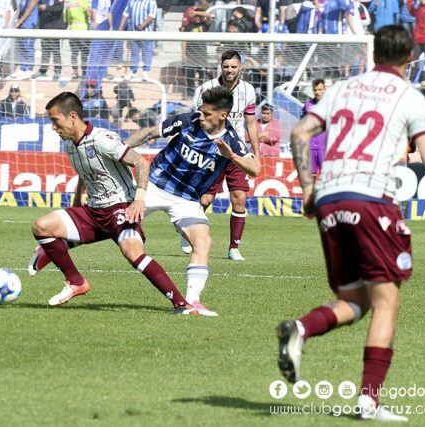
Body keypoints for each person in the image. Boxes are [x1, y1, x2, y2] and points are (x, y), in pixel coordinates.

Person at [276, 25, 425, 422]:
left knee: (355, 301)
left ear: (374, 52)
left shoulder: (342, 88)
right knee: (386, 302)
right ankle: (369, 402)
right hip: (372, 199)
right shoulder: (411, 98)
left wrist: (309, 187)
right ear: (409, 56)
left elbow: (300, 131)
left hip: (330, 198)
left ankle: (301, 330)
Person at [27, 92, 206, 315]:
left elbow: (141, 163)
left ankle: (182, 304)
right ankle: (75, 281)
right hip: (93, 211)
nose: (53, 127)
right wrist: (75, 204)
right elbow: (85, 173)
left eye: (55, 120)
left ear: (72, 116)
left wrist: (139, 199)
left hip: (121, 207)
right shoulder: (71, 145)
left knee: (132, 251)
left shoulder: (102, 139)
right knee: (42, 226)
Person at [126, 86, 260, 313]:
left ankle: (192, 301)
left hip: (186, 200)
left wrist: (232, 157)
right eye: (201, 111)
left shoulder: (231, 141)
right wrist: (119, 149)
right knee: (106, 222)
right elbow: (150, 133)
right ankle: (49, 252)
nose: (201, 116)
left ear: (222, 116)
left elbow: (255, 169)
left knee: (203, 242)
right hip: (154, 186)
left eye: (207, 114)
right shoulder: (188, 121)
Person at [189, 50, 259, 262]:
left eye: (233, 67)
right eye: (226, 66)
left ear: (241, 68)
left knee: (239, 198)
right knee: (206, 198)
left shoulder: (248, 91)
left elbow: (250, 123)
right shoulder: (206, 89)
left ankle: (233, 247)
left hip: (236, 151)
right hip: (212, 150)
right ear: (221, 66)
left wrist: (256, 153)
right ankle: (188, 234)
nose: (230, 70)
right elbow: (197, 119)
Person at [119, 0, 158, 80]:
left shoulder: (151, 1)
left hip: (146, 33)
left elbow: (152, 15)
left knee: (146, 53)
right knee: (134, 53)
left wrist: (142, 25)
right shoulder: (132, 1)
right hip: (133, 31)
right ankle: (133, 71)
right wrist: (120, 27)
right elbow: (126, 13)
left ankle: (145, 72)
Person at [303, 79, 327, 175]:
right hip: (310, 145)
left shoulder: (330, 104)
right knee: (310, 175)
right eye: (315, 90)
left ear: (325, 89)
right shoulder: (308, 104)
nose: (317, 92)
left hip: (324, 146)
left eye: (320, 89)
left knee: (324, 175)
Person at [36, 0, 65, 79]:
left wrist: (46, 8)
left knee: (55, 50)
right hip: (45, 27)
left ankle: (58, 71)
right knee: (45, 50)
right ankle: (43, 70)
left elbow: (59, 8)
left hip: (55, 28)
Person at [64, 0, 91, 78]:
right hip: (84, 31)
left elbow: (67, 20)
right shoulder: (83, 2)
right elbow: (89, 14)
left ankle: (75, 71)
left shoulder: (69, 4)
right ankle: (84, 71)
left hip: (73, 30)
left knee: (74, 52)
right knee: (84, 52)